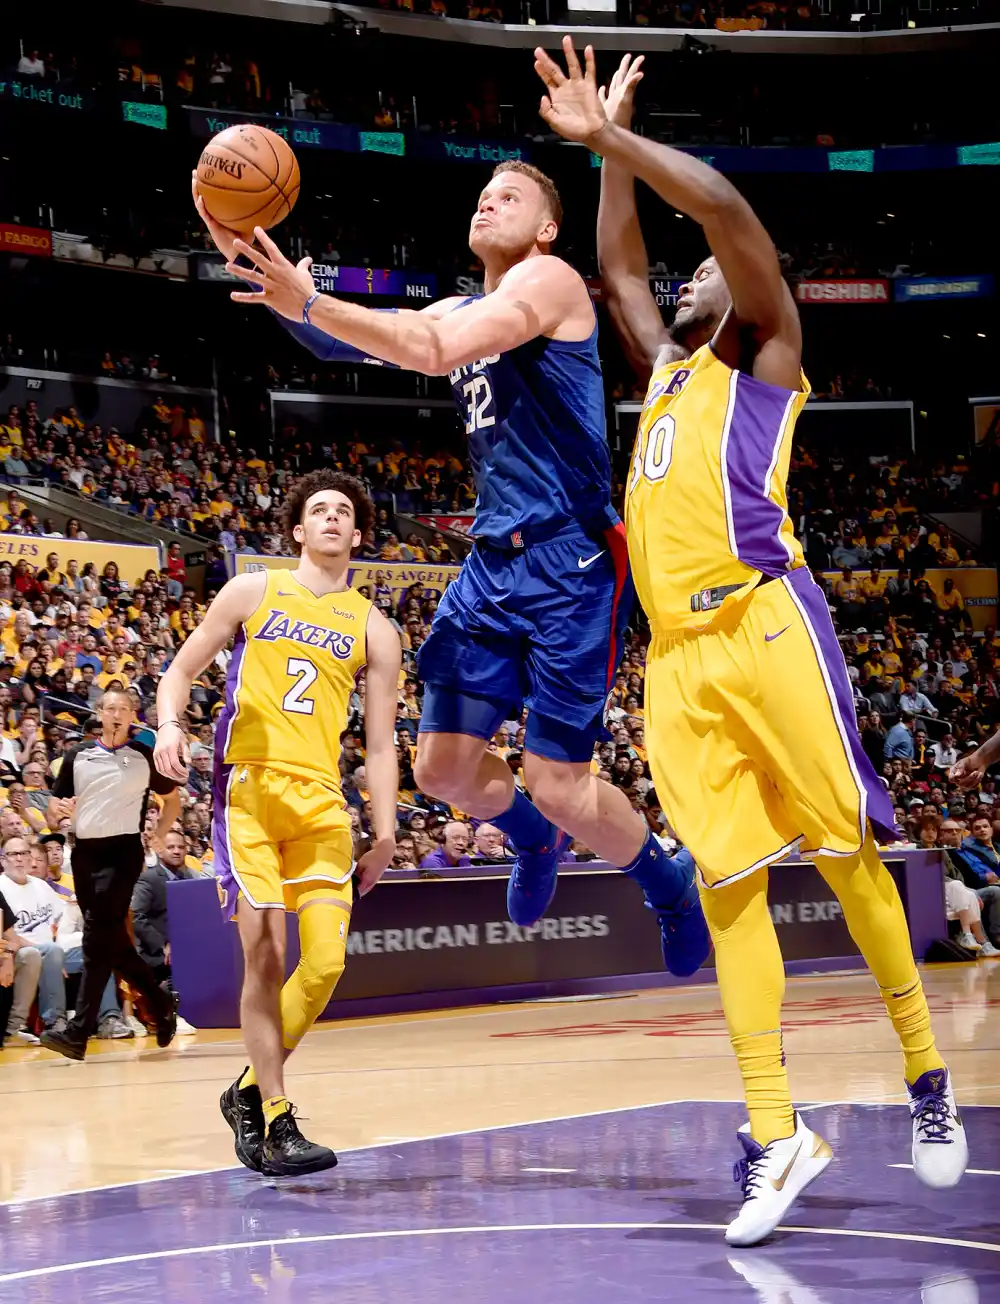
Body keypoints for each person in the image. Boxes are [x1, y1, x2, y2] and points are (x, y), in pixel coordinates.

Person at [536, 40, 966, 1244]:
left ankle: (927, 1080)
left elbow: (725, 212)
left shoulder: (765, 341)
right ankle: (776, 1132)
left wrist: (613, 144)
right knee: (729, 890)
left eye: (699, 276)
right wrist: (605, 147)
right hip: (675, 662)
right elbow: (622, 261)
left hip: (765, 619)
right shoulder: (668, 373)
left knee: (843, 856)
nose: (682, 280)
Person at [194, 151, 708, 979]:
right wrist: (266, 270)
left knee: (558, 783)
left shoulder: (550, 282)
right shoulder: (462, 305)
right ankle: (533, 838)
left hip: (568, 557)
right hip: (492, 563)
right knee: (440, 768)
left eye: (507, 196)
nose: (486, 204)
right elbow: (347, 346)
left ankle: (666, 880)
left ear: (544, 226)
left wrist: (315, 298)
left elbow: (430, 347)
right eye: (481, 194)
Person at [154, 470, 401, 1177]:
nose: (330, 518)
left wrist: (383, 834)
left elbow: (381, 746)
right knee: (264, 952)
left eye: (343, 512)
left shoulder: (375, 629)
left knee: (324, 964)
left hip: (323, 803)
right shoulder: (253, 590)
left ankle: (244, 1091)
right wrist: (170, 725)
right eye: (317, 510)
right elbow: (180, 670)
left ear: (356, 535)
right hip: (250, 792)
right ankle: (276, 1114)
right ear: (296, 529)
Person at [37, 685, 181, 1061]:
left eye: (125, 709)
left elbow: (174, 799)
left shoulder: (144, 756)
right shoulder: (77, 755)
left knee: (97, 938)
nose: (117, 714)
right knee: (111, 940)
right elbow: (52, 810)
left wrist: (161, 833)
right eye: (111, 708)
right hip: (85, 854)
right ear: (99, 714)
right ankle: (160, 1001)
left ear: (133, 716)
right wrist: (58, 813)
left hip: (123, 853)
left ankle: (78, 1031)